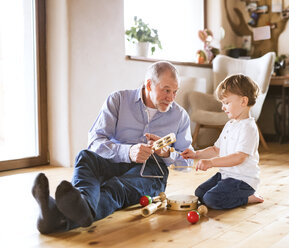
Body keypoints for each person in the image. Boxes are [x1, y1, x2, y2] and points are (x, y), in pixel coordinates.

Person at [32, 61, 193, 234]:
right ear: (149, 84)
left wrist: (167, 153)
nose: (171, 98)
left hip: (152, 172)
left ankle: (56, 215)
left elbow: (187, 162)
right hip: (114, 160)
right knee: (86, 157)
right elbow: (94, 141)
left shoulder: (180, 116)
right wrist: (127, 152)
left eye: (175, 92)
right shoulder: (118, 100)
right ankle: (68, 212)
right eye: (166, 90)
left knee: (117, 188)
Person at [181, 74, 264, 210]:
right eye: (222, 103)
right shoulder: (230, 124)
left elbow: (239, 157)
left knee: (211, 199)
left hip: (242, 181)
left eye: (226, 103)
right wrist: (196, 154)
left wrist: (211, 163)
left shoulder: (248, 128)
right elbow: (216, 150)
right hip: (226, 176)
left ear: (243, 101)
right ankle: (234, 195)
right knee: (199, 194)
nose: (222, 107)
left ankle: (246, 198)